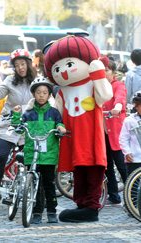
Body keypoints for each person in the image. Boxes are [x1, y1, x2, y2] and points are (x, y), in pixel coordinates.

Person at [44, 35, 113, 223]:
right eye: (57, 68)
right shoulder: (63, 91)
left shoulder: (92, 83)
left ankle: (91, 207)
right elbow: (55, 112)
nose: (64, 72)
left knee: (93, 169)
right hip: (73, 138)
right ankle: (81, 203)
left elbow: (105, 95)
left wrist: (98, 73)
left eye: (68, 64)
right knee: (78, 171)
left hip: (91, 137)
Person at [11, 77, 66, 224]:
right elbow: (18, 126)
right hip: (32, 153)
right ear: (33, 94)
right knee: (34, 183)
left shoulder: (54, 112)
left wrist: (61, 128)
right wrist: (16, 115)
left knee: (48, 184)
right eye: (38, 92)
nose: (41, 95)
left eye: (45, 92)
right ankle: (36, 212)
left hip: (49, 154)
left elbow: (60, 123)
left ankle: (52, 211)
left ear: (49, 95)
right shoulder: (28, 113)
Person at [0, 49, 37, 210]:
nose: (21, 68)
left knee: (31, 159)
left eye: (23, 64)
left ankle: (32, 192)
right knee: (1, 156)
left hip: (30, 124)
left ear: (28, 64)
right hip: (9, 124)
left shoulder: (38, 80)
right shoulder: (9, 80)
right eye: (17, 65)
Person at [100, 55, 128, 205]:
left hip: (116, 133)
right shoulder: (98, 86)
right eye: (102, 70)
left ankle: (132, 194)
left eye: (107, 70)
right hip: (102, 132)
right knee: (107, 166)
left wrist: (117, 107)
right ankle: (113, 194)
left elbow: (120, 98)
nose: (104, 73)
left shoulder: (118, 85)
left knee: (122, 165)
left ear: (112, 72)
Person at [119, 92, 141, 175]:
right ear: (136, 106)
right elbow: (123, 138)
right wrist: (127, 152)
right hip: (134, 158)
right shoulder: (129, 120)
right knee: (134, 185)